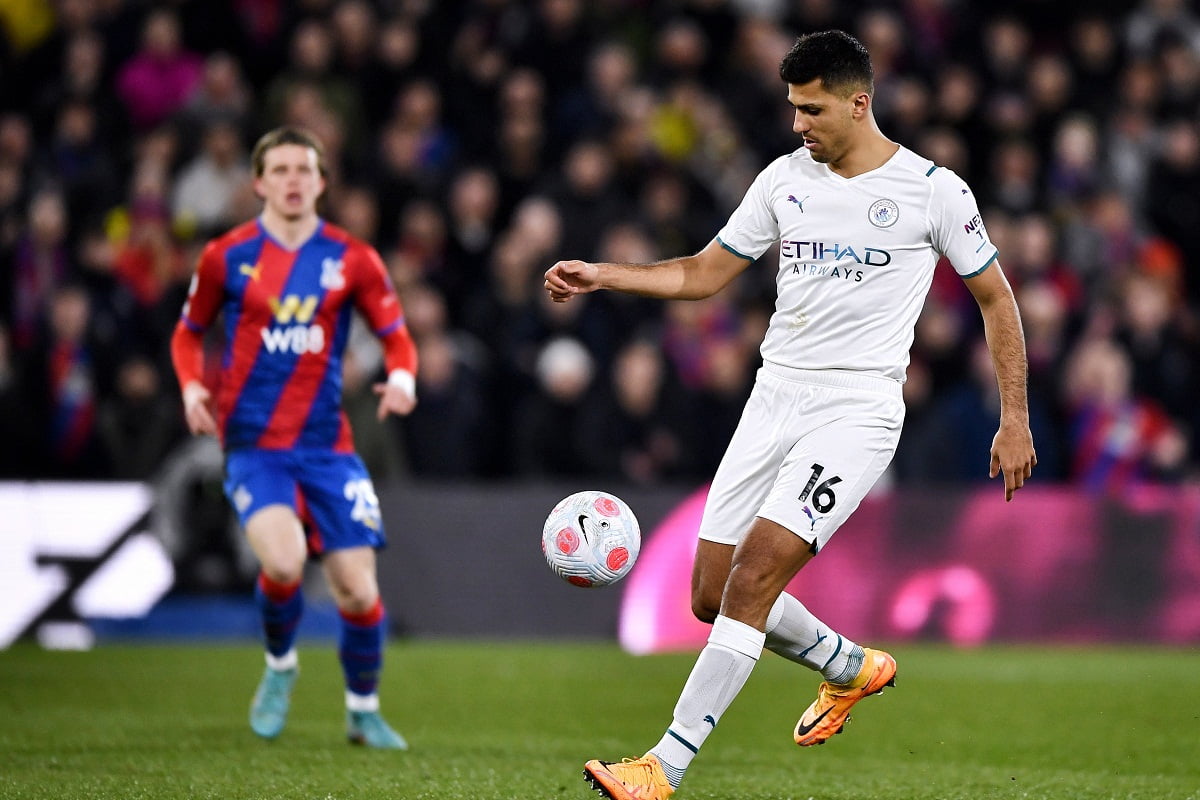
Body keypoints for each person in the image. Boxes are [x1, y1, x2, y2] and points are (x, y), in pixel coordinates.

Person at [544, 30, 1037, 800]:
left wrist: (1016, 417)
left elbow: (996, 299)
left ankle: (662, 767)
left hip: (856, 411)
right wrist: (605, 275)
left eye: (812, 110)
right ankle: (849, 667)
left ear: (858, 103)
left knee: (752, 579)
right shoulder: (783, 180)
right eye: (793, 109)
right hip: (774, 396)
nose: (798, 124)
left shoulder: (933, 191)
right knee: (710, 594)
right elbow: (703, 273)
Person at [170, 126, 419, 749]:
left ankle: (362, 710)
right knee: (282, 562)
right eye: (279, 170)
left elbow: (396, 335)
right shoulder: (225, 256)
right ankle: (281, 666)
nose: (292, 181)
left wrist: (403, 377)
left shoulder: (352, 258)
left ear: (322, 182)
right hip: (256, 447)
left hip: (328, 448)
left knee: (358, 591)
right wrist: (192, 388)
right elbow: (188, 332)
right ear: (258, 182)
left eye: (303, 170)